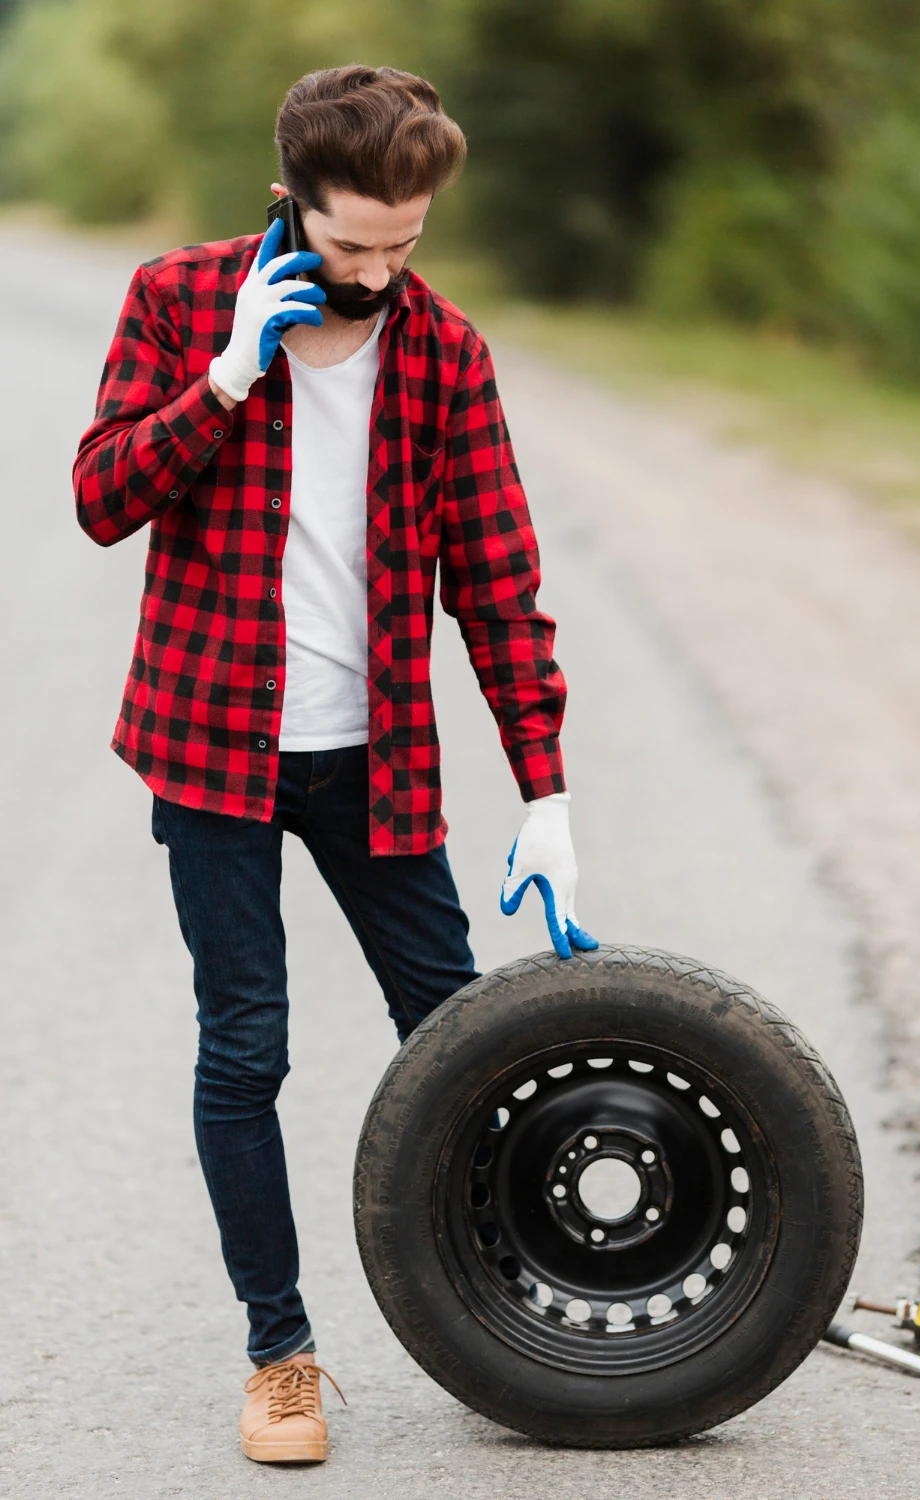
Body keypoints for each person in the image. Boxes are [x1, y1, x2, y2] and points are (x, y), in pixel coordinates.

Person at [73, 64, 596, 1465]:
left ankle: (530, 1309)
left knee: (463, 1038)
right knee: (246, 1048)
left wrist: (544, 795)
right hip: (210, 753)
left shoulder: (444, 354)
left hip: (375, 762)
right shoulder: (182, 302)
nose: (375, 271)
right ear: (291, 202)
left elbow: (497, 582)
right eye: (350, 241)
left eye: (403, 244)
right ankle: (281, 1357)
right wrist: (228, 376)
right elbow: (101, 500)